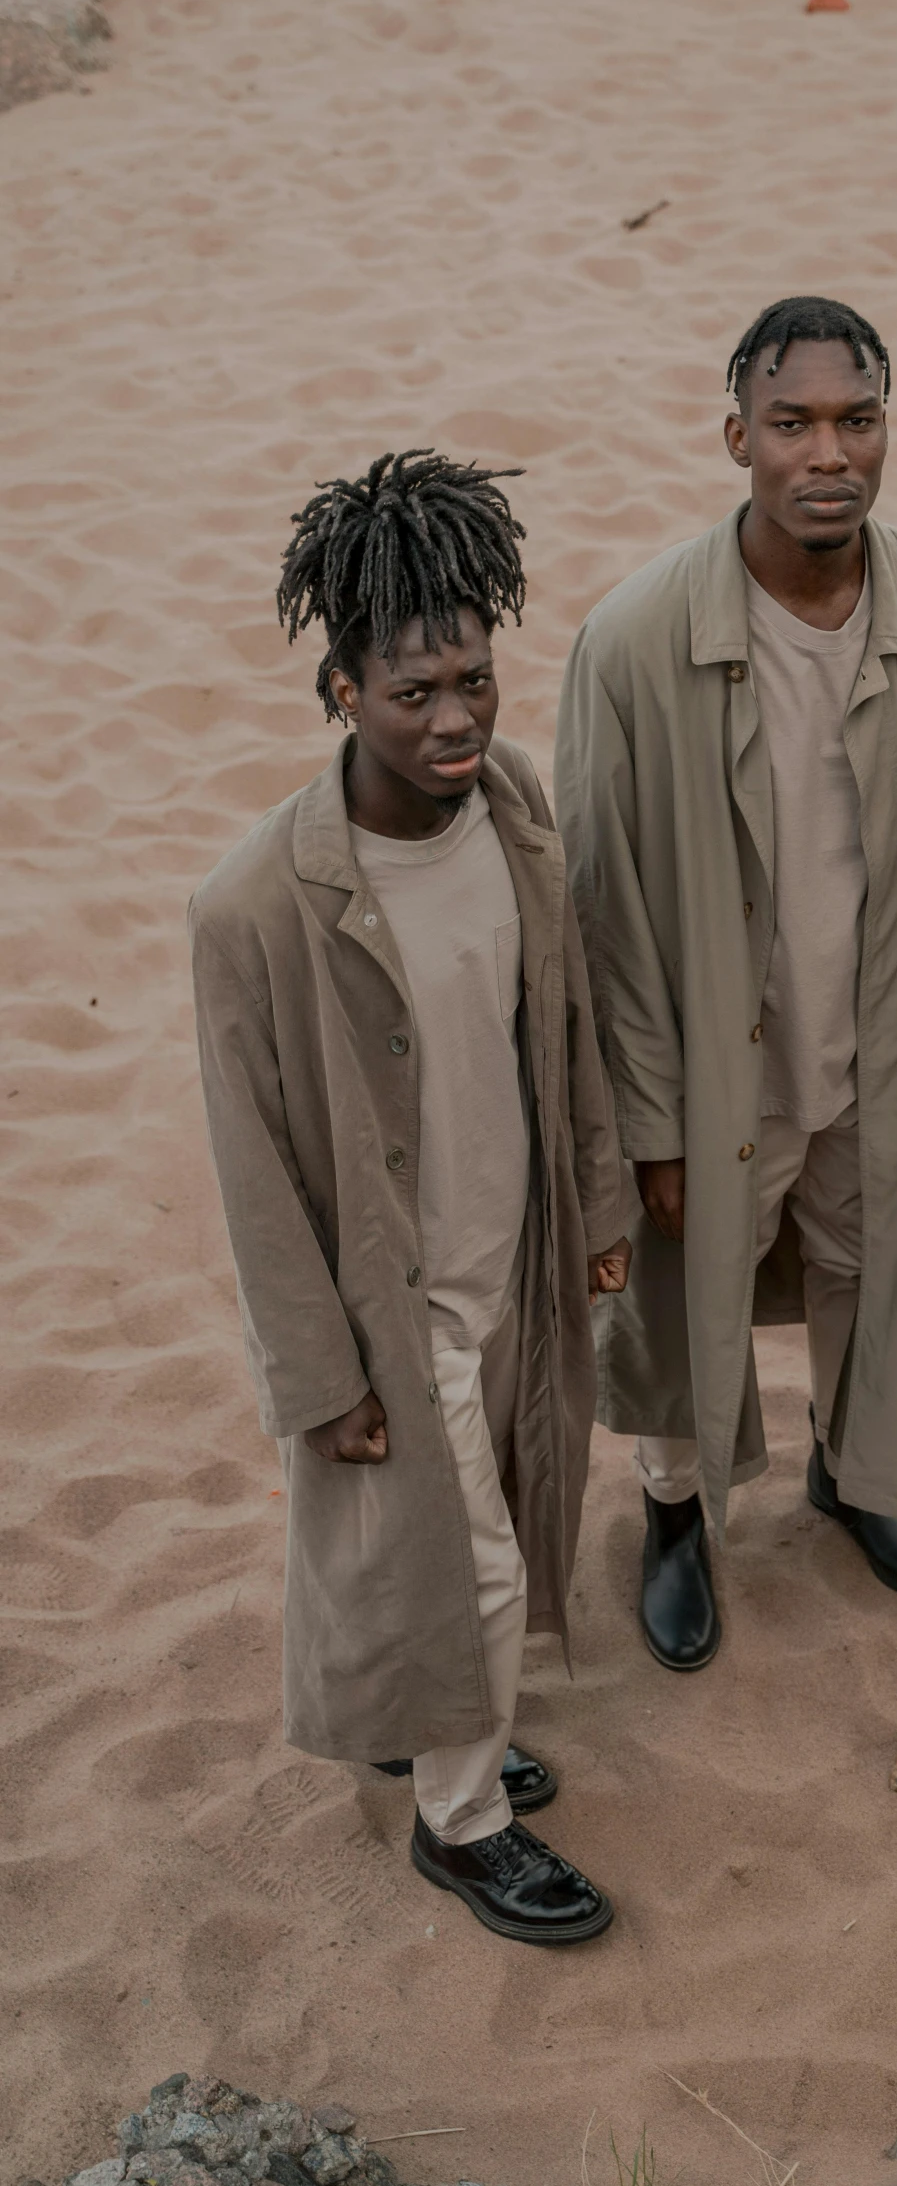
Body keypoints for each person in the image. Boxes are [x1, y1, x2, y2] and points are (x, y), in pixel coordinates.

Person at [189, 451, 632, 1941]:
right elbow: (250, 1164)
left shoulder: (516, 812)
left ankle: (431, 1723)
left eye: (473, 680)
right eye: (409, 692)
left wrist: (602, 1202)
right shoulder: (254, 904)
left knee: (474, 1528)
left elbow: (560, 1023)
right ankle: (462, 1820)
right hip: (390, 1301)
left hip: (516, 1259)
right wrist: (317, 1369)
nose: (451, 720)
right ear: (339, 692)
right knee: (473, 1565)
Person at [554, 297, 897, 1672]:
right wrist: (652, 1119)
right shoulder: (631, 642)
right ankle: (676, 1511)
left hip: (879, 1045)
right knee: (686, 1301)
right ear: (734, 432)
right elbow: (599, 914)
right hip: (712, 1067)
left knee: (875, 1276)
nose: (828, 454)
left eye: (856, 420)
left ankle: (854, 1480)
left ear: (887, 431)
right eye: (793, 422)